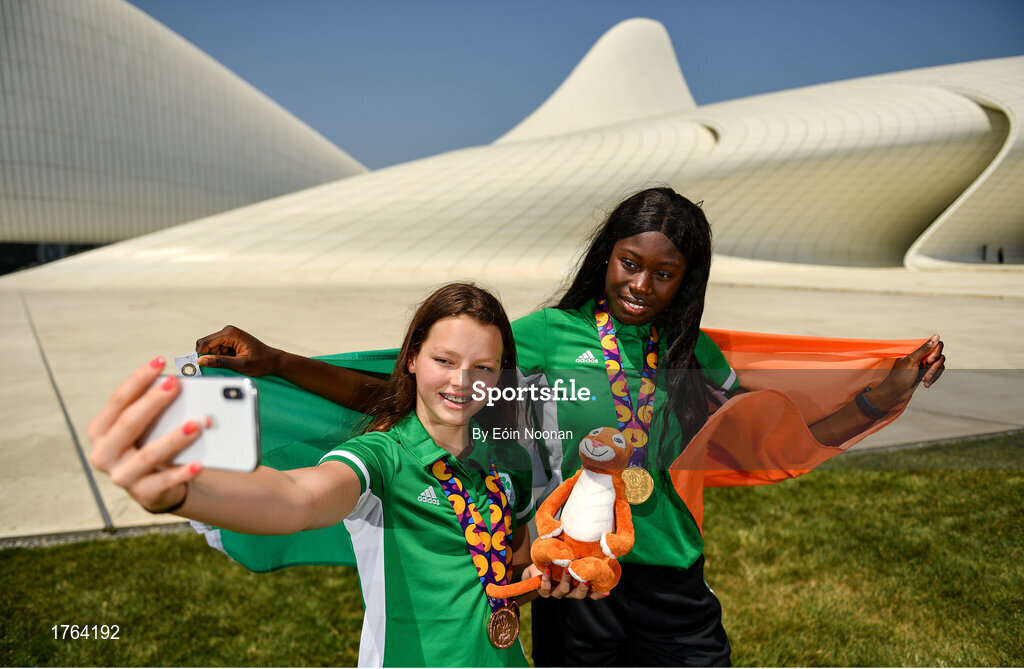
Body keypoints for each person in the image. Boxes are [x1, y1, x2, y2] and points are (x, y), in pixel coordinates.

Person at [193, 188, 945, 666]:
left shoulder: (691, 355)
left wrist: (881, 398)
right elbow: (405, 384)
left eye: (663, 272)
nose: (641, 284)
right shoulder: (546, 337)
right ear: (606, 256)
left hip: (672, 579)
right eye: (629, 261)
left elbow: (769, 433)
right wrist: (277, 360)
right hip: (569, 575)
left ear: (687, 279)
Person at [87, 283, 537, 668]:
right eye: (444, 360)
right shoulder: (382, 455)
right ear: (413, 358)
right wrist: (183, 490)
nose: (462, 381)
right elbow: (298, 496)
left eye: (483, 367)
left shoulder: (506, 456)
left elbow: (510, 568)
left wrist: (548, 575)